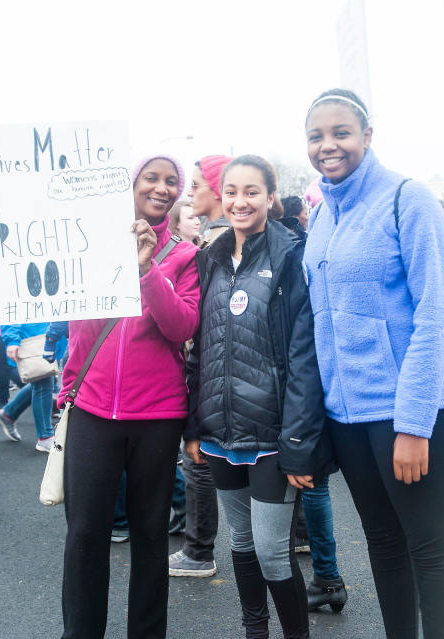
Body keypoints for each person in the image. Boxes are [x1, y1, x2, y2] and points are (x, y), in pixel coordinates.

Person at [302, 89, 444, 638]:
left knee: (431, 546)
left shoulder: (407, 197)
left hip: (409, 410)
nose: (329, 146)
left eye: (341, 133)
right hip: (348, 417)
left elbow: (435, 313)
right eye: (316, 136)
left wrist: (414, 424)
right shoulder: (323, 214)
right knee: (383, 543)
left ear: (367, 136)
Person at [185, 155, 327, 638]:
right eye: (231, 191)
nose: (239, 201)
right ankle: (254, 631)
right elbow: (200, 347)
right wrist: (193, 428)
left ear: (271, 198)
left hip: (273, 435)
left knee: (270, 551)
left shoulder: (293, 257)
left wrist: (300, 443)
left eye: (251, 191)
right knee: (241, 545)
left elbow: (305, 359)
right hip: (220, 433)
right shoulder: (211, 257)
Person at [59, 154, 199, 638]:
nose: (161, 188)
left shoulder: (185, 256)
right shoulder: (93, 244)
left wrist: (146, 272)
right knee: (84, 537)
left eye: (171, 182)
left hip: (158, 416)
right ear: (133, 184)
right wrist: (69, 386)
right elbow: (83, 326)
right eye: (151, 178)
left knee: (149, 535)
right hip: (93, 410)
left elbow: (182, 324)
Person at [169, 155, 232, 581]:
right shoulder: (219, 243)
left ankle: (198, 550)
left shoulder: (216, 250)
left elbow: (210, 328)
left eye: (195, 184)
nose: (189, 193)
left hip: (219, 379)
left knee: (201, 465)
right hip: (226, 377)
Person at [0, 322, 56, 451]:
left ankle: (8, 414)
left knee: (41, 380)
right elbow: (12, 311)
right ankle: (45, 436)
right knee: (43, 383)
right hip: (33, 339)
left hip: (42, 336)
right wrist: (12, 339)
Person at [192, 154, 233, 247]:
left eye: (195, 185)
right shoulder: (220, 234)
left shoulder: (225, 240)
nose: (190, 193)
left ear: (218, 189)